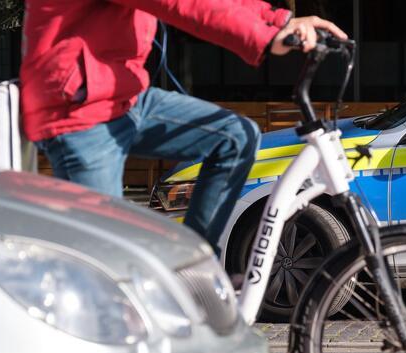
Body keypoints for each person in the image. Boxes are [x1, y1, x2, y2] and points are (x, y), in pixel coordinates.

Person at [20, 0, 346, 254]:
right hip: (79, 111)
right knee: (103, 255)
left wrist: (281, 21)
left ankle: (193, 266)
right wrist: (264, 36)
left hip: (124, 96)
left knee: (236, 138)